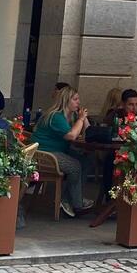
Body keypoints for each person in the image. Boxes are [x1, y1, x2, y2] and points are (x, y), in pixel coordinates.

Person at [33, 86, 92, 218]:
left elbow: (89, 132)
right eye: (75, 99)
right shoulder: (56, 117)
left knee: (86, 161)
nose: (78, 102)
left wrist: (84, 118)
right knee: (75, 166)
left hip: (57, 151)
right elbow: (71, 136)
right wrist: (81, 119)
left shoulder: (70, 115)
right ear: (66, 101)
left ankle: (68, 199)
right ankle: (77, 204)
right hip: (45, 154)